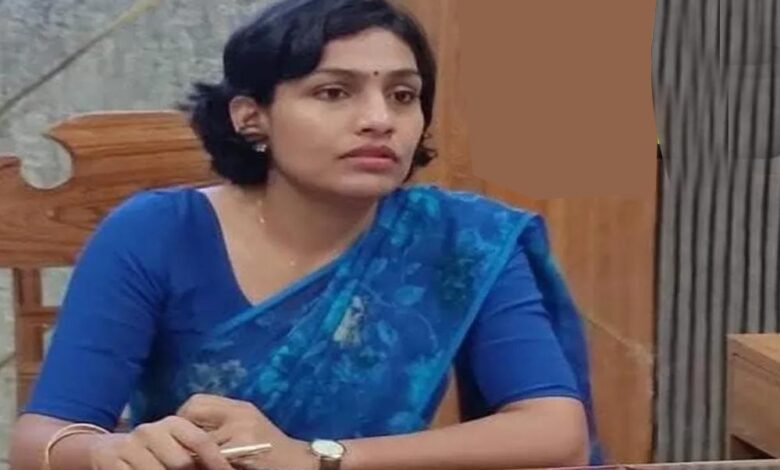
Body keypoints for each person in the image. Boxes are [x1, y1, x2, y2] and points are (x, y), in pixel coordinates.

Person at [9, 0, 603, 468]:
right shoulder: (156, 232)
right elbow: (41, 438)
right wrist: (109, 451)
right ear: (252, 117)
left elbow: (555, 431)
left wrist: (321, 459)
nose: (380, 119)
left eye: (403, 95)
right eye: (333, 92)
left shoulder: (464, 241)